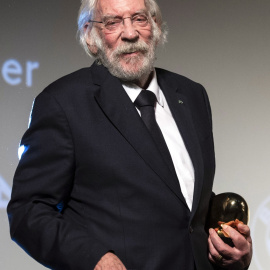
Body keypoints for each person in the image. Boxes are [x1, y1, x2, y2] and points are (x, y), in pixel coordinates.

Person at [7, 0, 252, 269]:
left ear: (156, 27)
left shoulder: (192, 95)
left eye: (139, 19)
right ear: (91, 36)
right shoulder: (63, 103)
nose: (130, 33)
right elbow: (27, 211)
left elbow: (178, 202)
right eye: (113, 22)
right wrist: (93, 258)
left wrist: (233, 252)